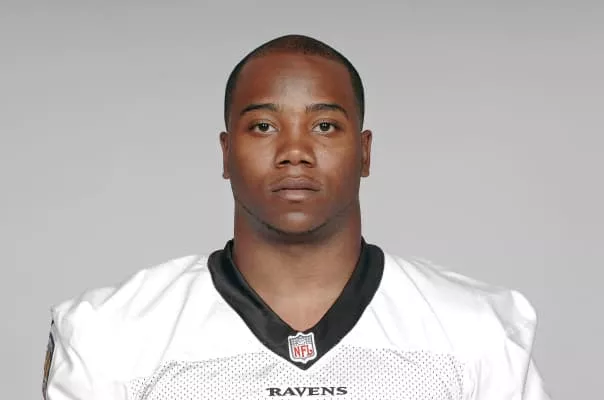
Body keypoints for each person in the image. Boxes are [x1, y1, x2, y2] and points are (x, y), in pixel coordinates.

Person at [42, 34, 552, 400]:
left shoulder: (474, 330)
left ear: (365, 152)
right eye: (263, 126)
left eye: (325, 126)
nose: (294, 152)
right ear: (226, 153)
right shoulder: (112, 333)